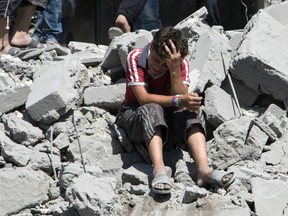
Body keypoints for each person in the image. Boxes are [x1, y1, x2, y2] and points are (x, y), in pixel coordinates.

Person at [115, 26, 235, 194]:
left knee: (192, 111)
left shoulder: (180, 63)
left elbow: (181, 103)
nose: (158, 67)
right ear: (151, 46)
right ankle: (159, 169)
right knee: (152, 108)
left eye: (165, 65)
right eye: (156, 60)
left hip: (166, 118)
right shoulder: (135, 57)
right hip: (134, 117)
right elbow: (143, 98)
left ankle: (204, 170)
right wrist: (179, 99)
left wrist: (174, 69)